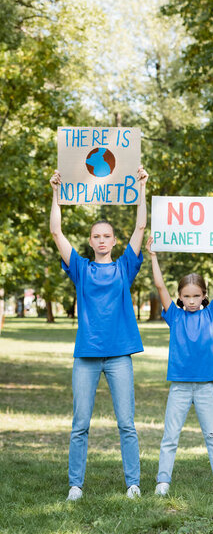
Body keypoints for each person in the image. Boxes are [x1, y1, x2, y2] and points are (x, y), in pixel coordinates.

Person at [49, 166, 148, 501]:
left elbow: (141, 226)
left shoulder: (125, 266)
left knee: (126, 424)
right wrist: (56, 194)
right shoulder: (81, 268)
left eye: (107, 236)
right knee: (80, 425)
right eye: (97, 236)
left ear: (114, 241)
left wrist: (142, 187)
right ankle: (75, 485)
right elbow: (56, 233)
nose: (102, 240)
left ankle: (133, 483)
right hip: (87, 356)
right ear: (90, 241)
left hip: (119, 356)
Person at [146, 234, 213, 496]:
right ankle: (163, 480)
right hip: (180, 387)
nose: (193, 300)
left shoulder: (212, 314)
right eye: (187, 296)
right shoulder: (174, 316)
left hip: (205, 387)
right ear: (181, 298)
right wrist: (153, 256)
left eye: (197, 295)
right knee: (170, 436)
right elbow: (160, 287)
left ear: (204, 295)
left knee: (212, 435)